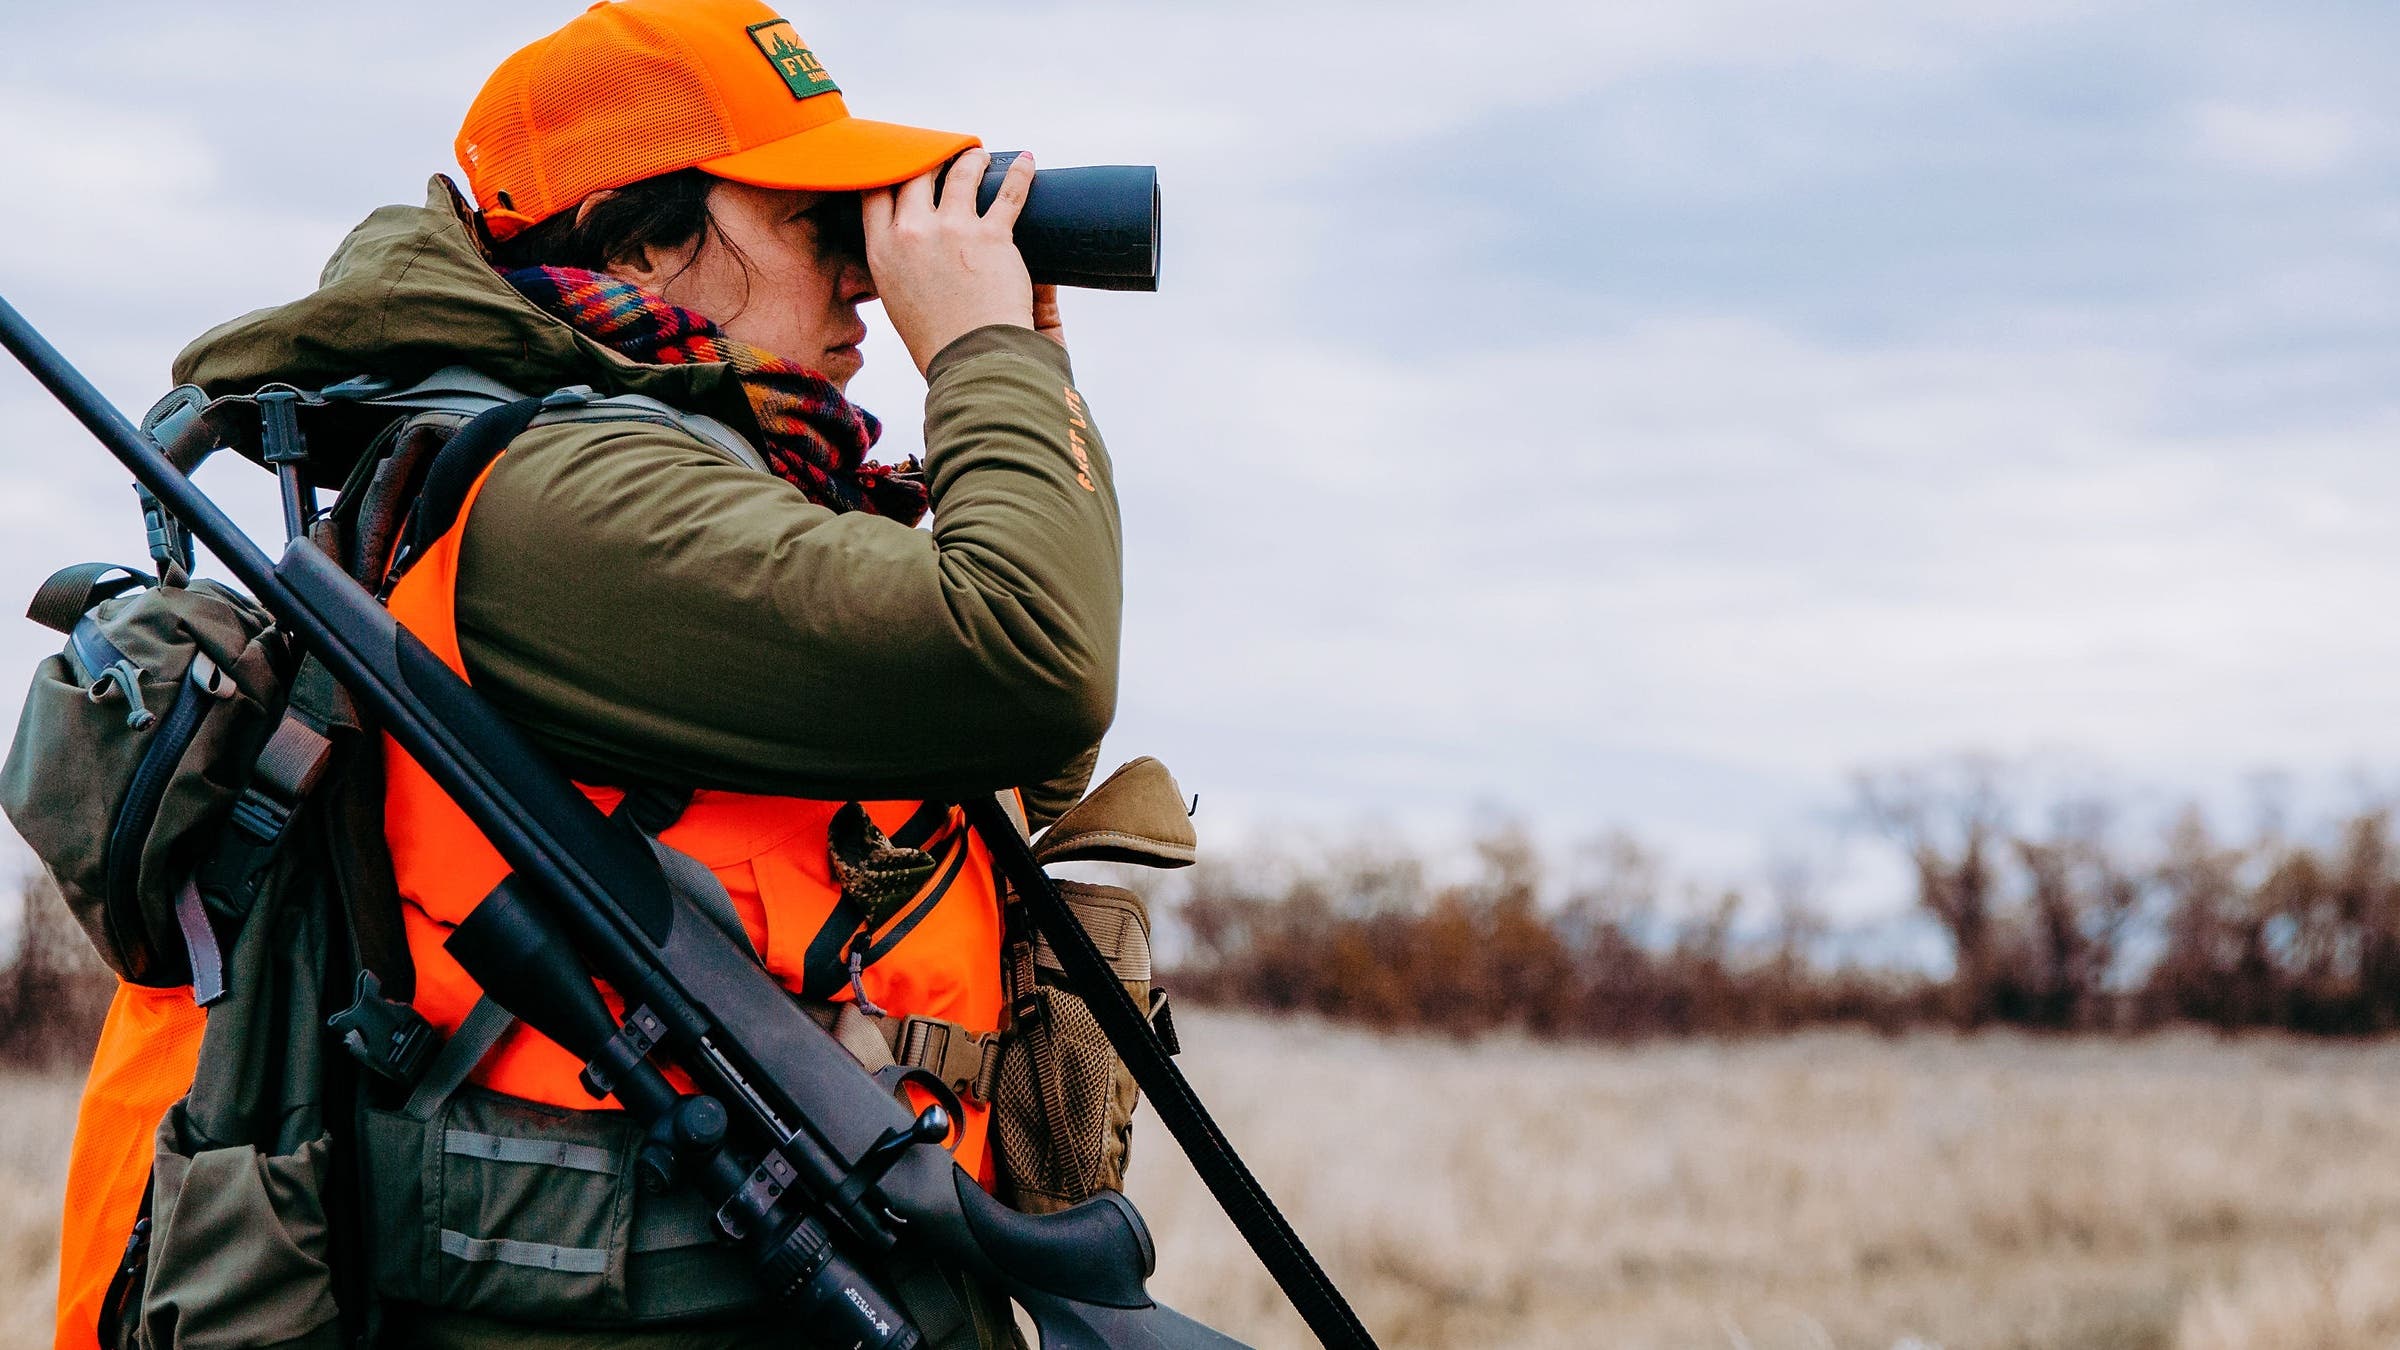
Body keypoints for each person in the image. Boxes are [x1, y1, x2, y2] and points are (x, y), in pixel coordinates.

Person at [51, 1, 1120, 1345]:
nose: (865, 274)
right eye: (816, 223)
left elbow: (987, 739)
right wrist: (986, 360)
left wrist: (1023, 379)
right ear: (644, 237)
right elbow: (1027, 656)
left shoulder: (712, 485)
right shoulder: (567, 501)